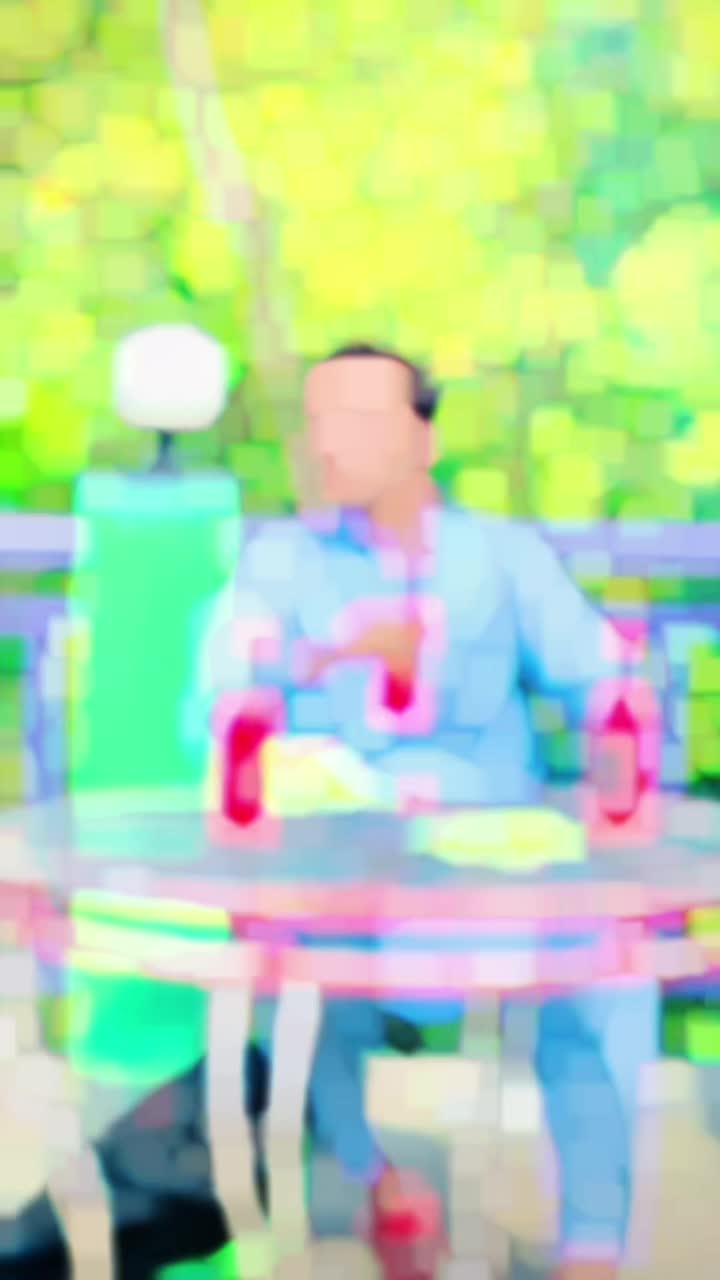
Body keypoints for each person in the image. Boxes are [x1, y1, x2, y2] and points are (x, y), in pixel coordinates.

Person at [196, 344, 659, 1280]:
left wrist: (617, 731)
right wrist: (320, 659)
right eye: (320, 422)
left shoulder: (502, 557)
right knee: (279, 968)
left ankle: (593, 1250)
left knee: (613, 971)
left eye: (362, 419)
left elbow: (603, 678)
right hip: (341, 887)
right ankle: (379, 1183)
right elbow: (211, 706)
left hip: (495, 888)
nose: (333, 443)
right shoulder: (281, 563)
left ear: (424, 439)